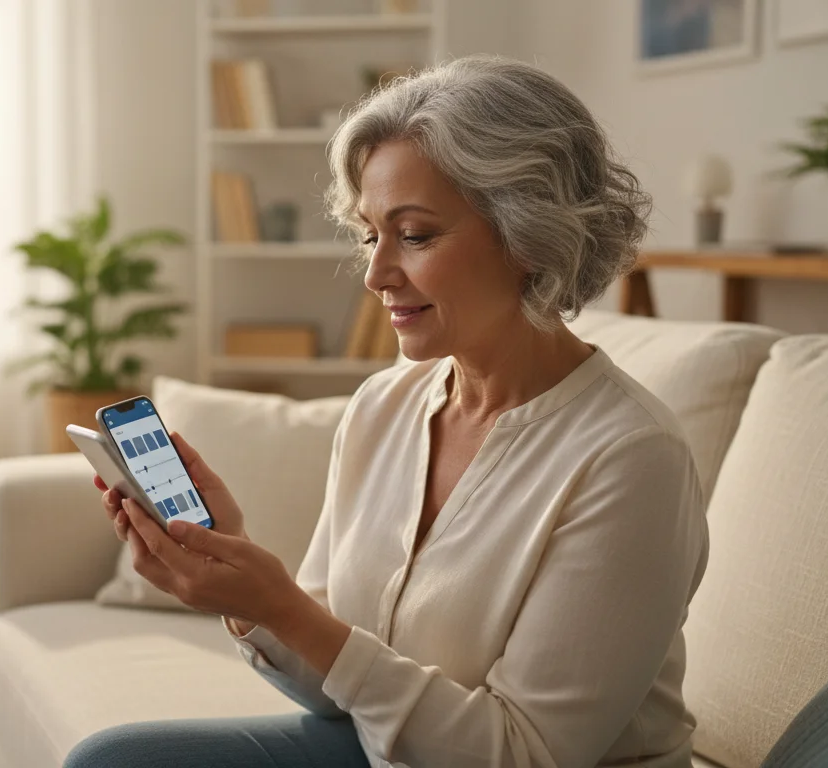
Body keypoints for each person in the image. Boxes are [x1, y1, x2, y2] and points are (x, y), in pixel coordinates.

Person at [64, 54, 708, 768]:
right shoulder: (385, 405)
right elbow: (340, 691)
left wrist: (284, 607)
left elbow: (524, 756)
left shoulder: (630, 456)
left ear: (530, 233)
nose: (375, 275)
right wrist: (248, 592)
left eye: (417, 235)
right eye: (372, 234)